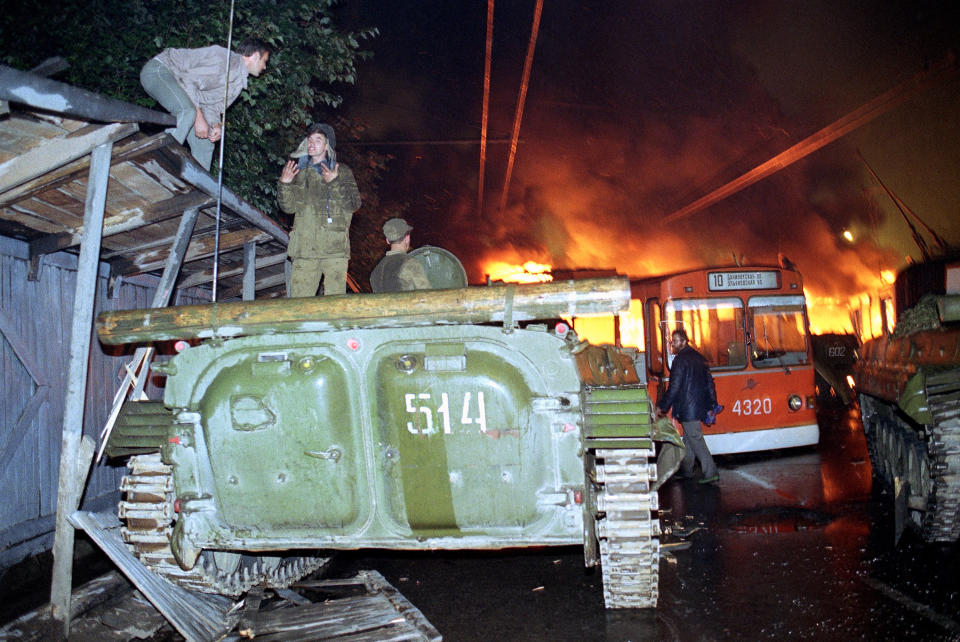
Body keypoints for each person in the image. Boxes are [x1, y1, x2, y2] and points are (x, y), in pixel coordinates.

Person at [140, 38, 271, 170]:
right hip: (160, 71)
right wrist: (199, 117)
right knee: (188, 112)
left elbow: (211, 106)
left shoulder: (238, 83)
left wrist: (216, 125)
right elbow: (186, 80)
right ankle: (159, 159)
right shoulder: (224, 61)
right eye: (264, 61)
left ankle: (196, 185)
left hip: (180, 85)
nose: (265, 67)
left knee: (206, 141)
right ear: (254, 56)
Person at [278, 123, 361, 297]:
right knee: (298, 305)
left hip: (335, 249)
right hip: (304, 249)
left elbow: (353, 204)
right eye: (309, 140)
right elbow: (288, 207)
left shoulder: (342, 171)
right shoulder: (298, 172)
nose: (311, 144)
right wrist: (285, 184)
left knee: (334, 304)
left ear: (327, 145)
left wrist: (334, 182)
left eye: (318, 140)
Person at [656, 328, 720, 484]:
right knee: (689, 438)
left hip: (687, 407)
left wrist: (662, 407)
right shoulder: (699, 358)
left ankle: (711, 471)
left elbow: (674, 388)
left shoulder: (680, 360)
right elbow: (710, 384)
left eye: (675, 341)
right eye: (672, 341)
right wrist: (712, 404)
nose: (672, 344)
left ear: (684, 342)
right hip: (698, 406)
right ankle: (687, 469)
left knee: (695, 438)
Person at [369, 218, 431, 292]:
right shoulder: (410, 264)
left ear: (387, 241)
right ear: (407, 238)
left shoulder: (376, 271)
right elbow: (427, 295)